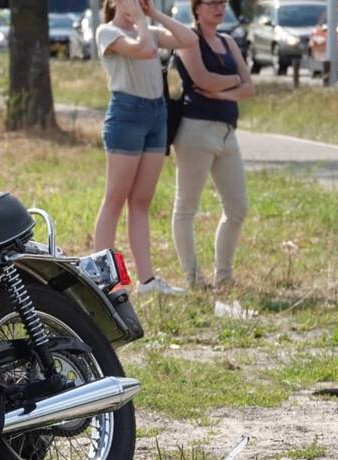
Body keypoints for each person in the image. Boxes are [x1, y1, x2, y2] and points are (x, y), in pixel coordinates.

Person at [94, 0, 197, 295]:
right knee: (115, 198)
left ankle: (148, 280)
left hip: (156, 113)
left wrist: (153, 14)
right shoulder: (107, 32)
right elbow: (144, 49)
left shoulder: (147, 28)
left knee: (141, 201)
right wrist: (141, 20)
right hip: (127, 113)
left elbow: (189, 39)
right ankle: (102, 280)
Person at [171, 0, 253, 290]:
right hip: (196, 129)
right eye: (212, 2)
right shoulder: (188, 39)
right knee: (186, 207)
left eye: (223, 2)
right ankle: (194, 278)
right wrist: (234, 82)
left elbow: (249, 87)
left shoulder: (228, 41)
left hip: (227, 132)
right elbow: (201, 78)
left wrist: (222, 91)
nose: (219, 7)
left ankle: (224, 276)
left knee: (237, 207)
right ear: (197, 7)